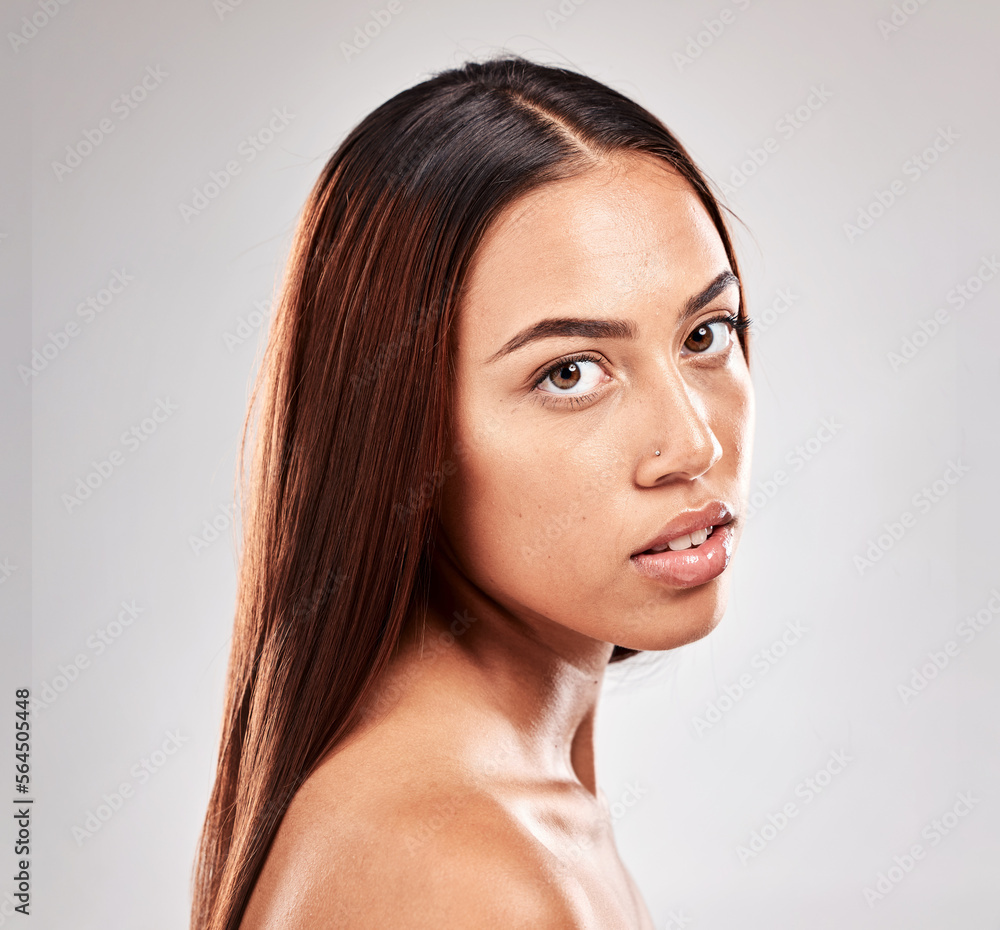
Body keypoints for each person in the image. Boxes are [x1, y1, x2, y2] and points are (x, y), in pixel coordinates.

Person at [190, 53, 755, 930]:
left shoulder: (492, 803)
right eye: (570, 372)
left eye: (706, 332)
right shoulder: (473, 872)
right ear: (400, 431)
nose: (693, 443)